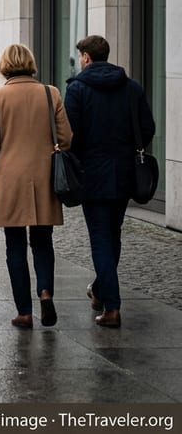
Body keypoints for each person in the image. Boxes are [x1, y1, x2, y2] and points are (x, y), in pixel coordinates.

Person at [65, 35, 155, 329]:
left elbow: (70, 136)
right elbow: (148, 128)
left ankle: (112, 306)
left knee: (101, 238)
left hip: (92, 174)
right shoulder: (132, 88)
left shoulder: (77, 90)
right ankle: (100, 290)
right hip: (125, 173)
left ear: (87, 57)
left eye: (80, 56)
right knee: (112, 234)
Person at [0, 44, 72, 329]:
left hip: (10, 178)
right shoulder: (50, 92)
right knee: (43, 242)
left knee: (15, 246)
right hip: (44, 176)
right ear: (31, 64)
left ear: (4, 66)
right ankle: (45, 292)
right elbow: (66, 137)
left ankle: (24, 311)